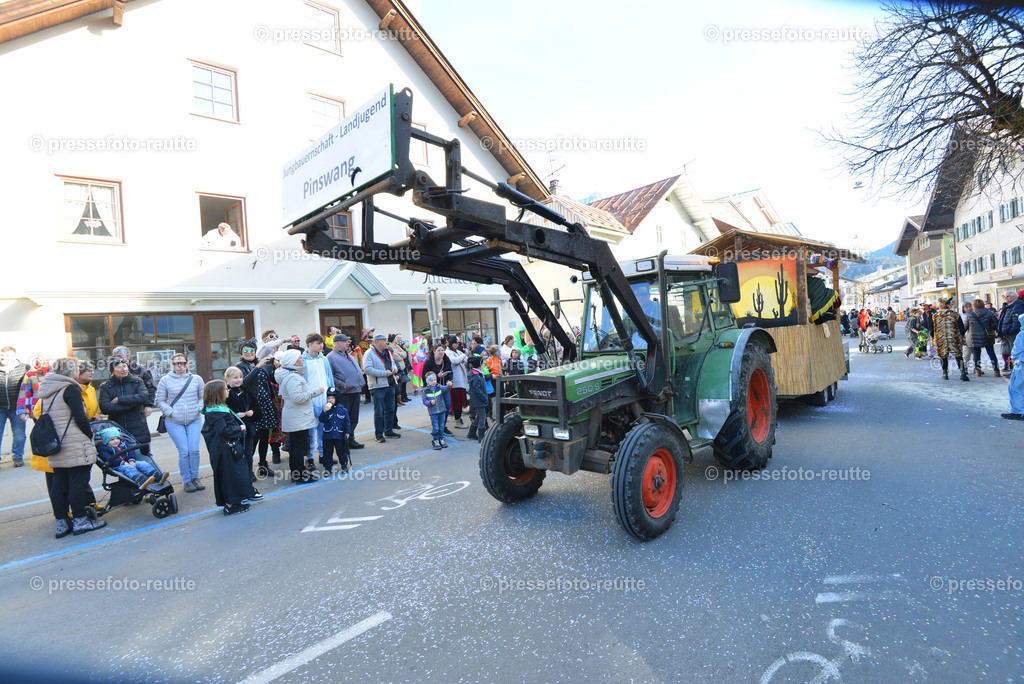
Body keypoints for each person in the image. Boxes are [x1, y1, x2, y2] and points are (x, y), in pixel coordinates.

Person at [37, 358, 106, 537]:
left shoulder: (47, 389)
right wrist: (89, 435)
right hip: (74, 442)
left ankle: (62, 523)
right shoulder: (70, 388)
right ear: (72, 371)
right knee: (77, 483)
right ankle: (80, 521)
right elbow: (80, 418)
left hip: (56, 442)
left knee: (59, 484)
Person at [201, 379, 256, 515]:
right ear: (218, 393)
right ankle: (231, 505)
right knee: (229, 476)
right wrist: (240, 428)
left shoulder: (215, 409)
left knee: (232, 474)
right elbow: (224, 431)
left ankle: (234, 502)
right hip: (224, 450)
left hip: (224, 448)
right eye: (225, 389)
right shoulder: (216, 412)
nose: (228, 391)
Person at [156, 353, 205, 492]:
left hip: (194, 420)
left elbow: (203, 397)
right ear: (172, 365)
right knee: (184, 451)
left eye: (182, 363)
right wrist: (170, 412)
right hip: (174, 421)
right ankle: (187, 480)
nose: (180, 366)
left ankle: (195, 477)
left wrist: (199, 408)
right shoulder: (165, 380)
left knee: (194, 450)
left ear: (187, 363)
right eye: (176, 363)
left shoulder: (196, 379)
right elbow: (160, 400)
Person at [275, 348, 324, 483]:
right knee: (298, 447)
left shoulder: (291, 374)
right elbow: (297, 397)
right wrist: (316, 392)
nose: (302, 359)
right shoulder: (293, 377)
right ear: (293, 362)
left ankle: (299, 473)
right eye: (300, 358)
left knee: (297, 447)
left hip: (297, 416)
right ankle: (299, 476)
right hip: (298, 417)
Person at [99, 359, 154, 456]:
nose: (123, 369)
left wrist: (119, 399)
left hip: (138, 426)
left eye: (124, 366)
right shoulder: (106, 386)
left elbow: (143, 397)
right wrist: (130, 405)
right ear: (112, 370)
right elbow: (105, 408)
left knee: (144, 457)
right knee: (123, 459)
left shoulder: (137, 381)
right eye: (119, 367)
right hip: (117, 429)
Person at [327, 334, 365, 451]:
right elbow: (330, 376)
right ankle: (343, 444)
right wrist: (341, 384)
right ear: (337, 343)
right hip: (344, 393)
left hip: (355, 390)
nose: (347, 343)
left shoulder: (348, 354)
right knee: (343, 419)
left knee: (353, 418)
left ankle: (350, 440)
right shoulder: (330, 357)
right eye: (345, 342)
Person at [95, 426, 164, 490]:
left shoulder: (123, 443)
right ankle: (139, 480)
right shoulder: (103, 448)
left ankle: (156, 475)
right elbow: (108, 459)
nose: (116, 441)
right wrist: (123, 463)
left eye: (117, 438)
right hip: (116, 465)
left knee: (143, 464)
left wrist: (131, 460)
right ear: (106, 441)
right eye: (112, 439)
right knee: (129, 468)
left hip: (128, 461)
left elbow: (130, 451)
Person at [225, 367, 259, 491]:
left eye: (240, 377)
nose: (239, 380)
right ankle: (237, 482)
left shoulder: (246, 391)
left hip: (248, 429)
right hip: (234, 431)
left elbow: (257, 407)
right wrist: (234, 415)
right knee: (236, 457)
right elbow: (224, 412)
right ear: (227, 379)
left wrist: (252, 412)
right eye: (235, 378)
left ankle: (248, 481)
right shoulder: (226, 393)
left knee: (248, 456)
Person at [303, 333, 333, 469]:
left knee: (324, 428)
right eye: (318, 343)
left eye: (322, 343)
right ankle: (309, 458)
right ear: (310, 344)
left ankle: (323, 454)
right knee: (310, 430)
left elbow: (329, 377)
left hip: (324, 399)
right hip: (310, 399)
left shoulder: (324, 359)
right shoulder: (303, 360)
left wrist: (332, 396)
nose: (321, 346)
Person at [364, 333, 401, 443]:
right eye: (384, 340)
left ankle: (388, 431)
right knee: (379, 412)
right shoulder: (369, 353)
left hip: (390, 384)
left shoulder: (387, 352)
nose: (386, 342)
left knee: (390, 410)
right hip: (378, 387)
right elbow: (367, 370)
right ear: (377, 342)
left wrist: (394, 369)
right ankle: (379, 434)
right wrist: (384, 373)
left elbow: (393, 363)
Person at [0, 346, 30, 467]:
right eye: (2, 355)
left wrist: (27, 407)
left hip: (18, 407)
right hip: (0, 407)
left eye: (7, 355)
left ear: (14, 355)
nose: (4, 358)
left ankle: (18, 457)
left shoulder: (24, 368)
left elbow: (29, 387)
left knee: (19, 433)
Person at [932, 297, 969, 381]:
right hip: (953, 338)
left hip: (940, 339)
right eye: (950, 304)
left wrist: (934, 338)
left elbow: (932, 328)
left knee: (943, 356)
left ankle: (945, 373)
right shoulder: (955, 315)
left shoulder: (935, 315)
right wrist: (961, 336)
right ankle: (963, 373)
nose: (951, 305)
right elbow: (961, 328)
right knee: (958, 355)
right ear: (947, 305)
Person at [421, 344, 454, 437]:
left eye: (442, 350)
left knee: (447, 406)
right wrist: (437, 376)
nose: (441, 352)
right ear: (434, 351)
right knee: (435, 410)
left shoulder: (446, 359)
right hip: (433, 390)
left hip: (443, 387)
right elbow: (425, 376)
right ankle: (437, 429)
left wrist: (450, 380)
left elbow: (450, 371)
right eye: (439, 350)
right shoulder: (429, 362)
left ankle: (443, 426)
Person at [318, 389, 351, 472]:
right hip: (328, 435)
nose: (330, 400)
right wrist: (324, 411)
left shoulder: (343, 410)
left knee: (341, 451)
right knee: (327, 452)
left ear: (337, 399)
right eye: (329, 398)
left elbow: (347, 422)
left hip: (339, 434)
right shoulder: (326, 410)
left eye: (332, 398)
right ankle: (327, 468)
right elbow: (322, 420)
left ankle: (344, 465)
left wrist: (347, 432)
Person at [967, 299, 1001, 377]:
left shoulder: (970, 314)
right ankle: (996, 371)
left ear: (974, 305)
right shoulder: (989, 313)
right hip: (987, 336)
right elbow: (996, 323)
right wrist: (991, 329)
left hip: (974, 337)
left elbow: (965, 326)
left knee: (976, 354)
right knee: (991, 353)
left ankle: (977, 370)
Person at [1001, 313, 1024, 420]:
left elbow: (1016, 351)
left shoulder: (1022, 335)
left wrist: (1015, 359)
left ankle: (1018, 411)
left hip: (1022, 363)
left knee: (1015, 387)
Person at [422, 373, 452, 450]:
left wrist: (449, 385)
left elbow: (445, 389)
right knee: (435, 427)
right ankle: (435, 440)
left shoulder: (439, 387)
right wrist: (430, 403)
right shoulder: (426, 391)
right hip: (433, 412)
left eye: (435, 380)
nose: (434, 382)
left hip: (442, 411)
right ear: (427, 382)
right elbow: (424, 401)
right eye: (431, 380)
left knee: (441, 426)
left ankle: (441, 438)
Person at [996, 290, 1024, 372]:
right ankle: (1012, 368)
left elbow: (1017, 321)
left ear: (1015, 297)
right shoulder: (1006, 306)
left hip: (1012, 334)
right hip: (1006, 333)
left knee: (1015, 353)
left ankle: (1017, 370)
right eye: (1004, 296)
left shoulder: (1018, 306)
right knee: (1007, 352)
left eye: (1008, 296)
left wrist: (1010, 330)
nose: (1005, 298)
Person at [446, 336, 469, 429]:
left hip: (461, 380)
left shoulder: (457, 352)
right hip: (455, 381)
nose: (457, 345)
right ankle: (458, 421)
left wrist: (463, 356)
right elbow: (454, 361)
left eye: (457, 343)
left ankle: (459, 419)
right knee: (457, 403)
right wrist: (463, 356)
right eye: (455, 343)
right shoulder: (448, 352)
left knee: (460, 402)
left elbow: (466, 360)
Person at [465, 355, 489, 442]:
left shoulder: (477, 374)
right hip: (479, 400)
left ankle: (471, 433)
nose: (484, 365)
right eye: (482, 363)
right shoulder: (475, 376)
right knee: (482, 417)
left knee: (479, 416)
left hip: (479, 399)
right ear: (479, 365)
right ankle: (481, 436)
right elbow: (476, 389)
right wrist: (484, 398)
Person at [389, 334, 410, 406]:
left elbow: (405, 354)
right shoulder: (390, 346)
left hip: (402, 368)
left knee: (402, 384)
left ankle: (402, 398)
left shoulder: (397, 346)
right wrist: (401, 356)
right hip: (397, 368)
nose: (397, 339)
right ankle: (397, 400)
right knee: (397, 386)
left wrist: (400, 354)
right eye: (396, 338)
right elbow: (395, 356)